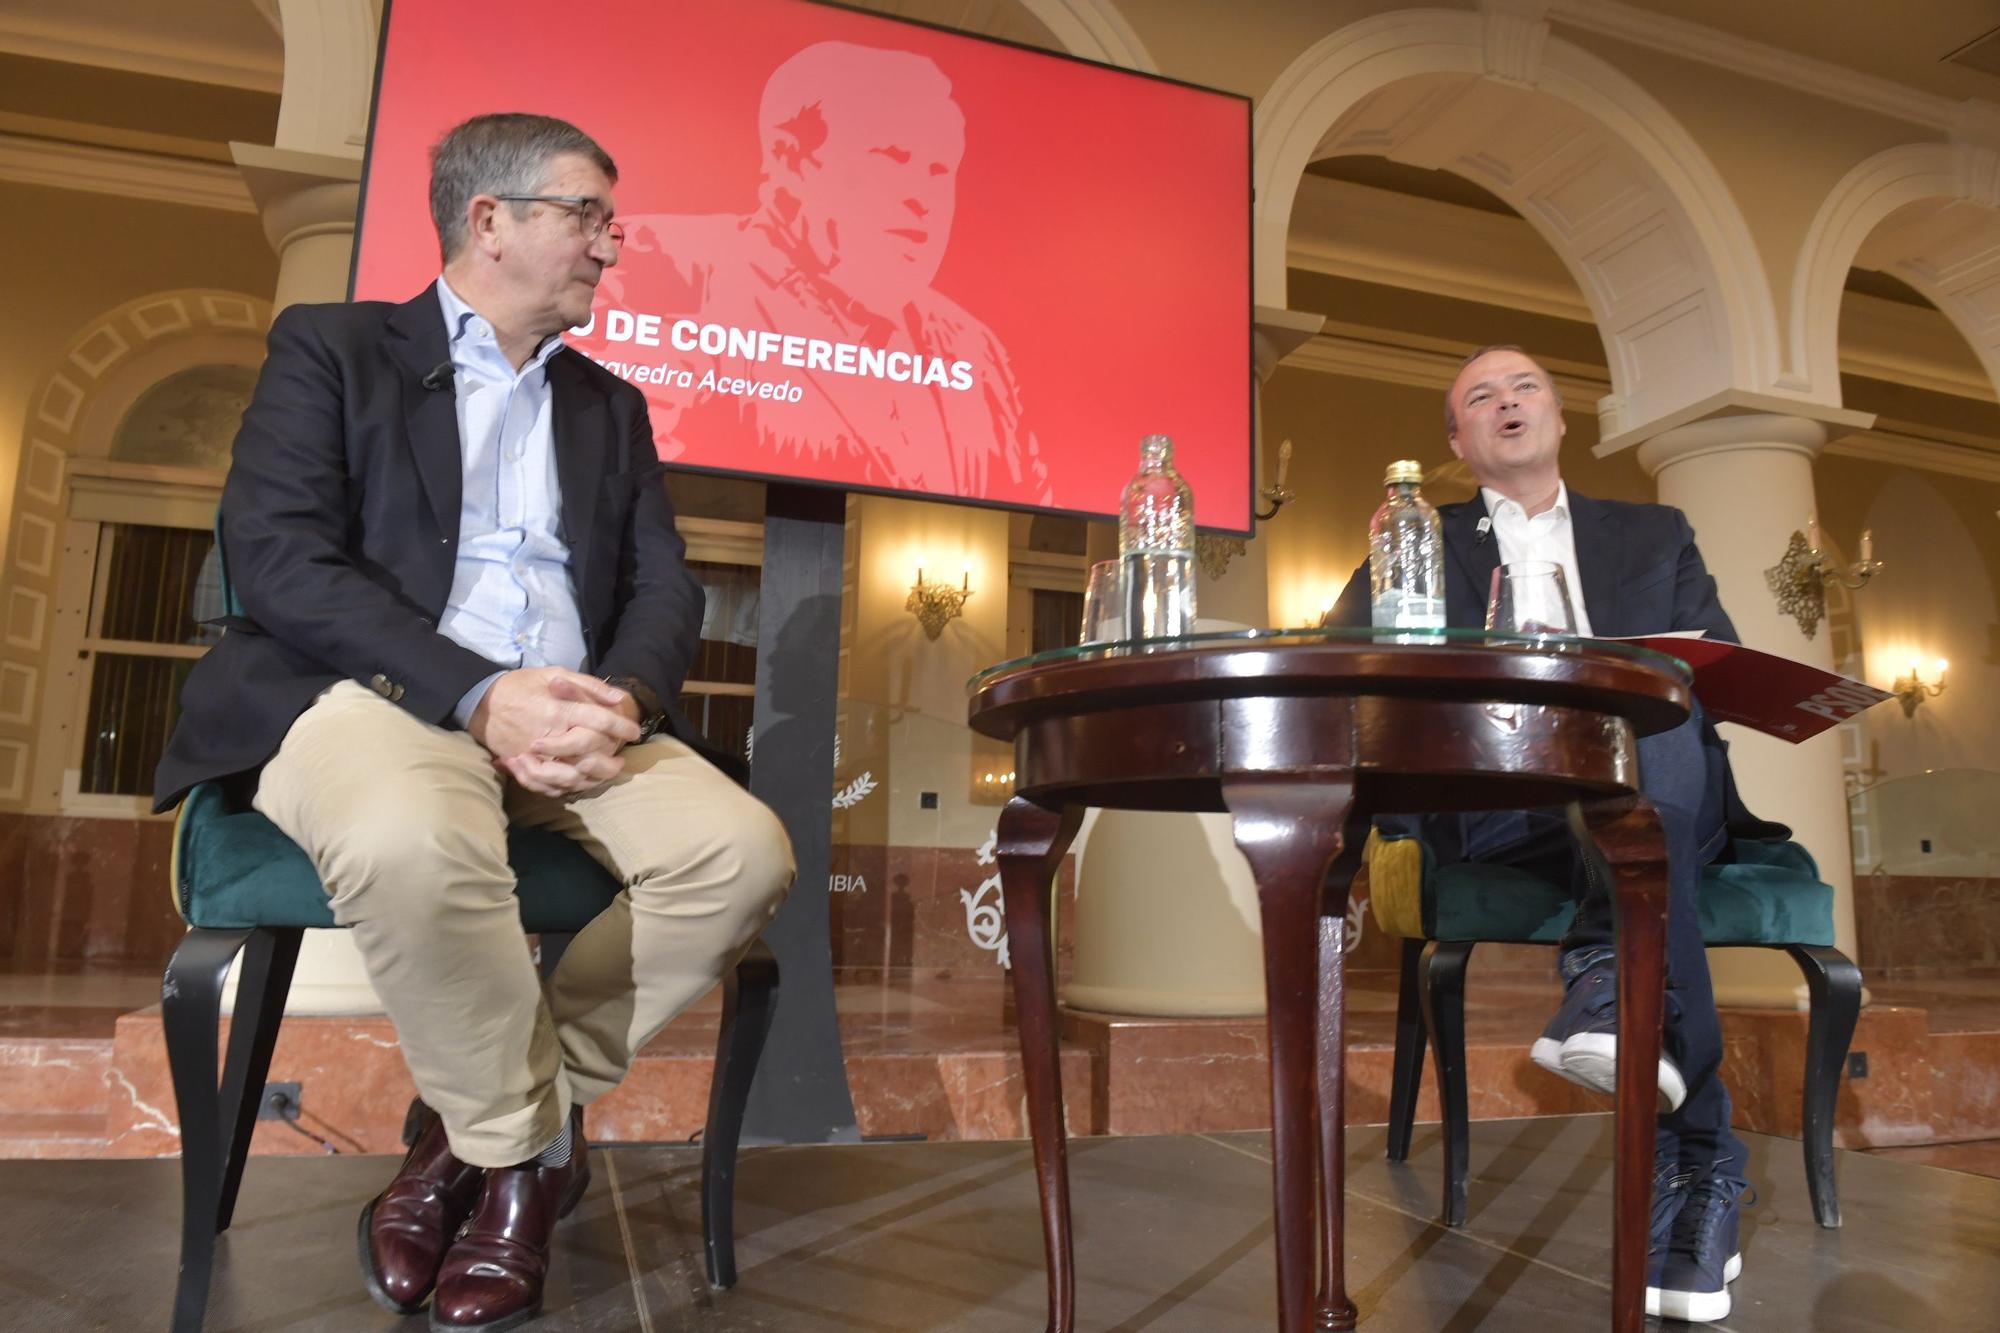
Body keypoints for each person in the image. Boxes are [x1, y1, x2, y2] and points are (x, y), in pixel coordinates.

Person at [153, 113, 795, 1331]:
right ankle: (523, 1170)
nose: (615, 243)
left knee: (741, 854)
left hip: (574, 709)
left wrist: (625, 700)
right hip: (376, 695)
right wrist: (475, 692)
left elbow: (667, 585)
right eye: (588, 215)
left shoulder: (609, 404)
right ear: (488, 220)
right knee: (409, 839)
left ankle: (455, 1137)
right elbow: (280, 559)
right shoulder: (334, 348)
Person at [1328, 345, 1784, 1324]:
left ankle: (1604, 991)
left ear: (1557, 414)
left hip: (1646, 785)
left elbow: (1710, 661)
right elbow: (1345, 662)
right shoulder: (1413, 539)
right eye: (1478, 396)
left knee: (1654, 729)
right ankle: (1700, 1156)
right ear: (1456, 441)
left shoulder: (1651, 534)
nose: (1505, 402)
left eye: (1522, 385)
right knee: (1641, 829)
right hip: (1497, 802)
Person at [593, 40, 1051, 506]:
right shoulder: (657, 267)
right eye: (893, 158)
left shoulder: (976, 352)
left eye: (939, 170)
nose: (923, 197)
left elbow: (1030, 490)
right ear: (791, 158)